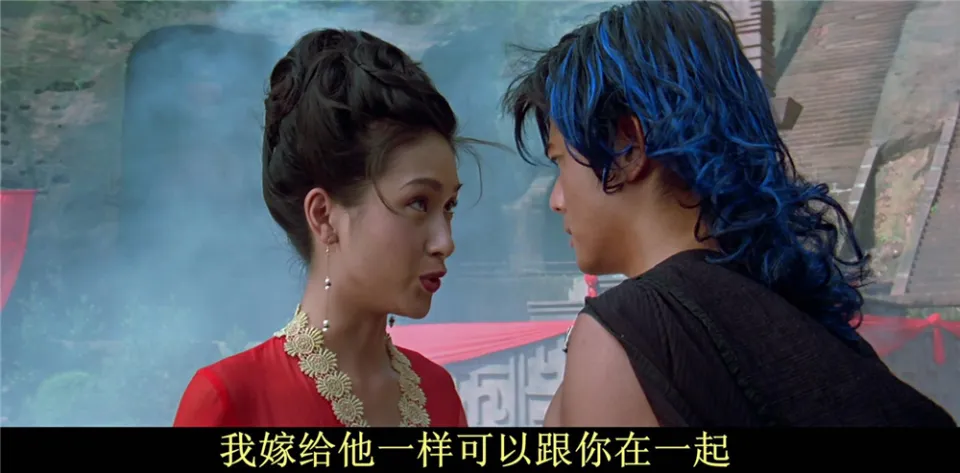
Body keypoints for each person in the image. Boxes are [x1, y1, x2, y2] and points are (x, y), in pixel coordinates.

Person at [503, 1, 956, 427]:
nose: (557, 199)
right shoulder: (817, 331)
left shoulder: (634, 332)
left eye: (560, 160)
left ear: (629, 147)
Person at [174, 29, 469, 427]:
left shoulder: (438, 394)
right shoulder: (231, 400)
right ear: (324, 216)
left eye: (449, 207)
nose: (445, 242)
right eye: (419, 203)